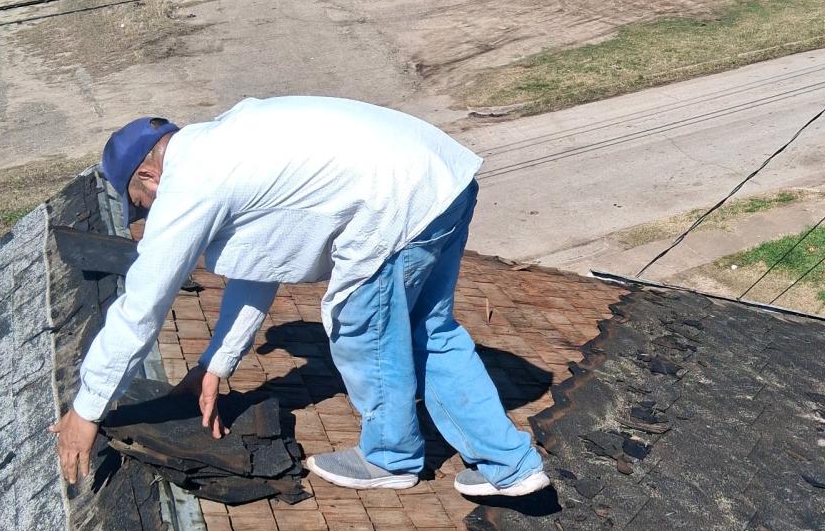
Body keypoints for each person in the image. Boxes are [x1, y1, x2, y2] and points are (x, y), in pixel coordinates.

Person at [51, 97, 549, 500]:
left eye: (142, 206)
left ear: (148, 176)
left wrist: (87, 409)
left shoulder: (189, 184)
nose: (148, 216)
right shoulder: (228, 143)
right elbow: (262, 267)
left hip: (396, 201)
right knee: (426, 329)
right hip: (444, 178)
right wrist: (216, 363)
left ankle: (391, 457)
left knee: (362, 326)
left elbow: (141, 309)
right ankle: (510, 467)